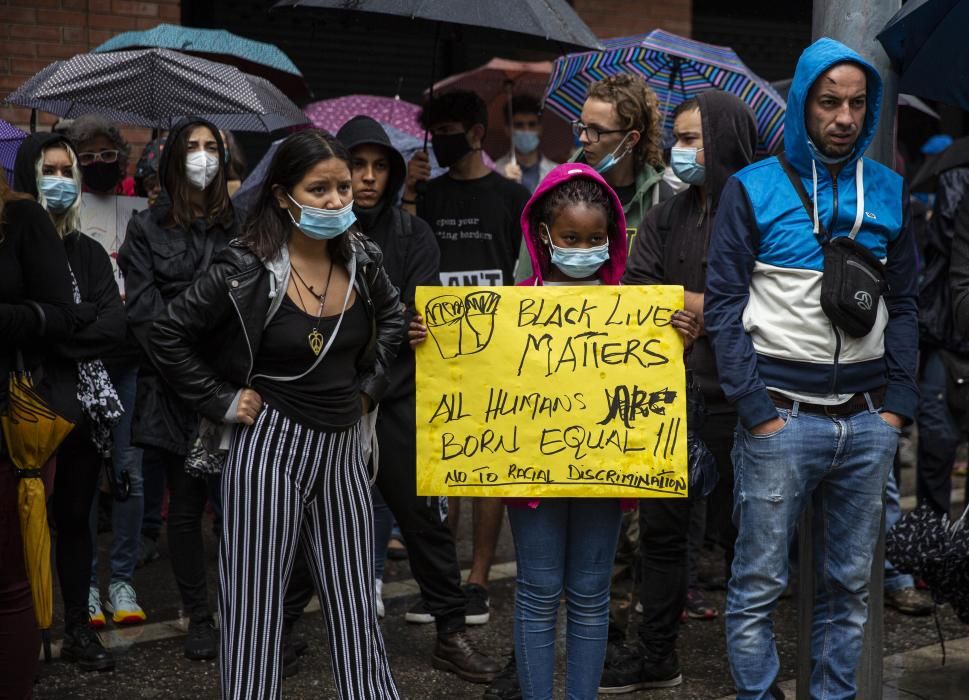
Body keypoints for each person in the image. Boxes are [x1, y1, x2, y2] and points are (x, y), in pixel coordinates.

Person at [409, 163, 697, 699]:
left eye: (595, 238)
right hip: (531, 474)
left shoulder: (636, 310)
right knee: (539, 591)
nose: (584, 248)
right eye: (571, 238)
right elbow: (468, 369)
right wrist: (431, 337)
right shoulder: (509, 307)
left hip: (603, 473)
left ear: (612, 237)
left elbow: (650, 385)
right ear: (543, 234)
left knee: (590, 595)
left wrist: (683, 337)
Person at [148, 129, 403, 700]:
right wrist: (220, 398)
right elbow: (168, 335)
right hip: (269, 448)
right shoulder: (244, 267)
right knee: (254, 601)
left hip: (343, 445)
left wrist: (368, 389)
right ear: (284, 196)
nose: (338, 200)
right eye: (320, 189)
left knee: (355, 597)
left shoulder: (363, 257)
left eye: (343, 188)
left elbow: (392, 318)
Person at [705, 38, 919, 698]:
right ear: (802, 105)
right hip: (779, 419)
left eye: (857, 103)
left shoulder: (887, 192)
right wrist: (757, 414)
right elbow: (722, 304)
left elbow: (906, 302)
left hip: (864, 426)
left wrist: (894, 410)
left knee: (848, 591)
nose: (844, 117)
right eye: (828, 102)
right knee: (758, 587)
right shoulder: (752, 189)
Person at [597, 91, 757, 694]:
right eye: (679, 140)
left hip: (743, 402)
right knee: (662, 537)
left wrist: (694, 307)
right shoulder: (666, 213)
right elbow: (639, 293)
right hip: (671, 396)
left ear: (727, 143)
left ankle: (752, 666)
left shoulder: (763, 212)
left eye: (694, 141)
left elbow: (766, 306)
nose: (681, 153)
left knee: (747, 543)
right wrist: (712, 308)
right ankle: (657, 654)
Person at [403, 90, 531, 626]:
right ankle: (443, 581)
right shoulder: (426, 195)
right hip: (436, 347)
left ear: (478, 133)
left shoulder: (511, 195)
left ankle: (478, 579)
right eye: (436, 132)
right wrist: (409, 194)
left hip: (497, 349)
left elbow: (526, 267)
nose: (441, 142)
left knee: (489, 469)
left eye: (452, 130)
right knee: (445, 468)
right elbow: (406, 254)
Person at [117, 119, 237, 661]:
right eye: (193, 146)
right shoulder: (146, 228)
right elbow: (146, 318)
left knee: (240, 509)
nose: (203, 156)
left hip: (236, 391)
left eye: (213, 147)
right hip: (173, 391)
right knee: (185, 510)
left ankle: (247, 614)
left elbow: (251, 310)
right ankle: (201, 616)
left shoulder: (241, 227)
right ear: (172, 159)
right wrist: (199, 379)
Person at [13, 133, 126, 671]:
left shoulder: (87, 251)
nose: (60, 181)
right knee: (20, 523)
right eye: (47, 170)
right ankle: (24, 635)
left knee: (76, 519)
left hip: (82, 408)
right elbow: (23, 328)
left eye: (67, 170)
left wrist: (57, 326)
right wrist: (67, 320)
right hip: (27, 405)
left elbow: (112, 326)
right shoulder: (13, 246)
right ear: (25, 176)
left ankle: (79, 629)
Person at [0, 169, 77, 697]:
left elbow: (62, 318)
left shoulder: (21, 218)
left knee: (8, 582)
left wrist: (5, 318)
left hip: (9, 427)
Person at [496, 94, 559, 194]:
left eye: (532, 124)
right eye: (519, 125)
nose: (526, 130)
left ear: (540, 128)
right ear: (508, 130)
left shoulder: (556, 173)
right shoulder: (496, 172)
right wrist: (502, 185)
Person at [67, 115, 136, 196]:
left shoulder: (133, 190)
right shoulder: (68, 196)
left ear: (120, 157)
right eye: (88, 157)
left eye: (107, 155)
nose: (98, 161)